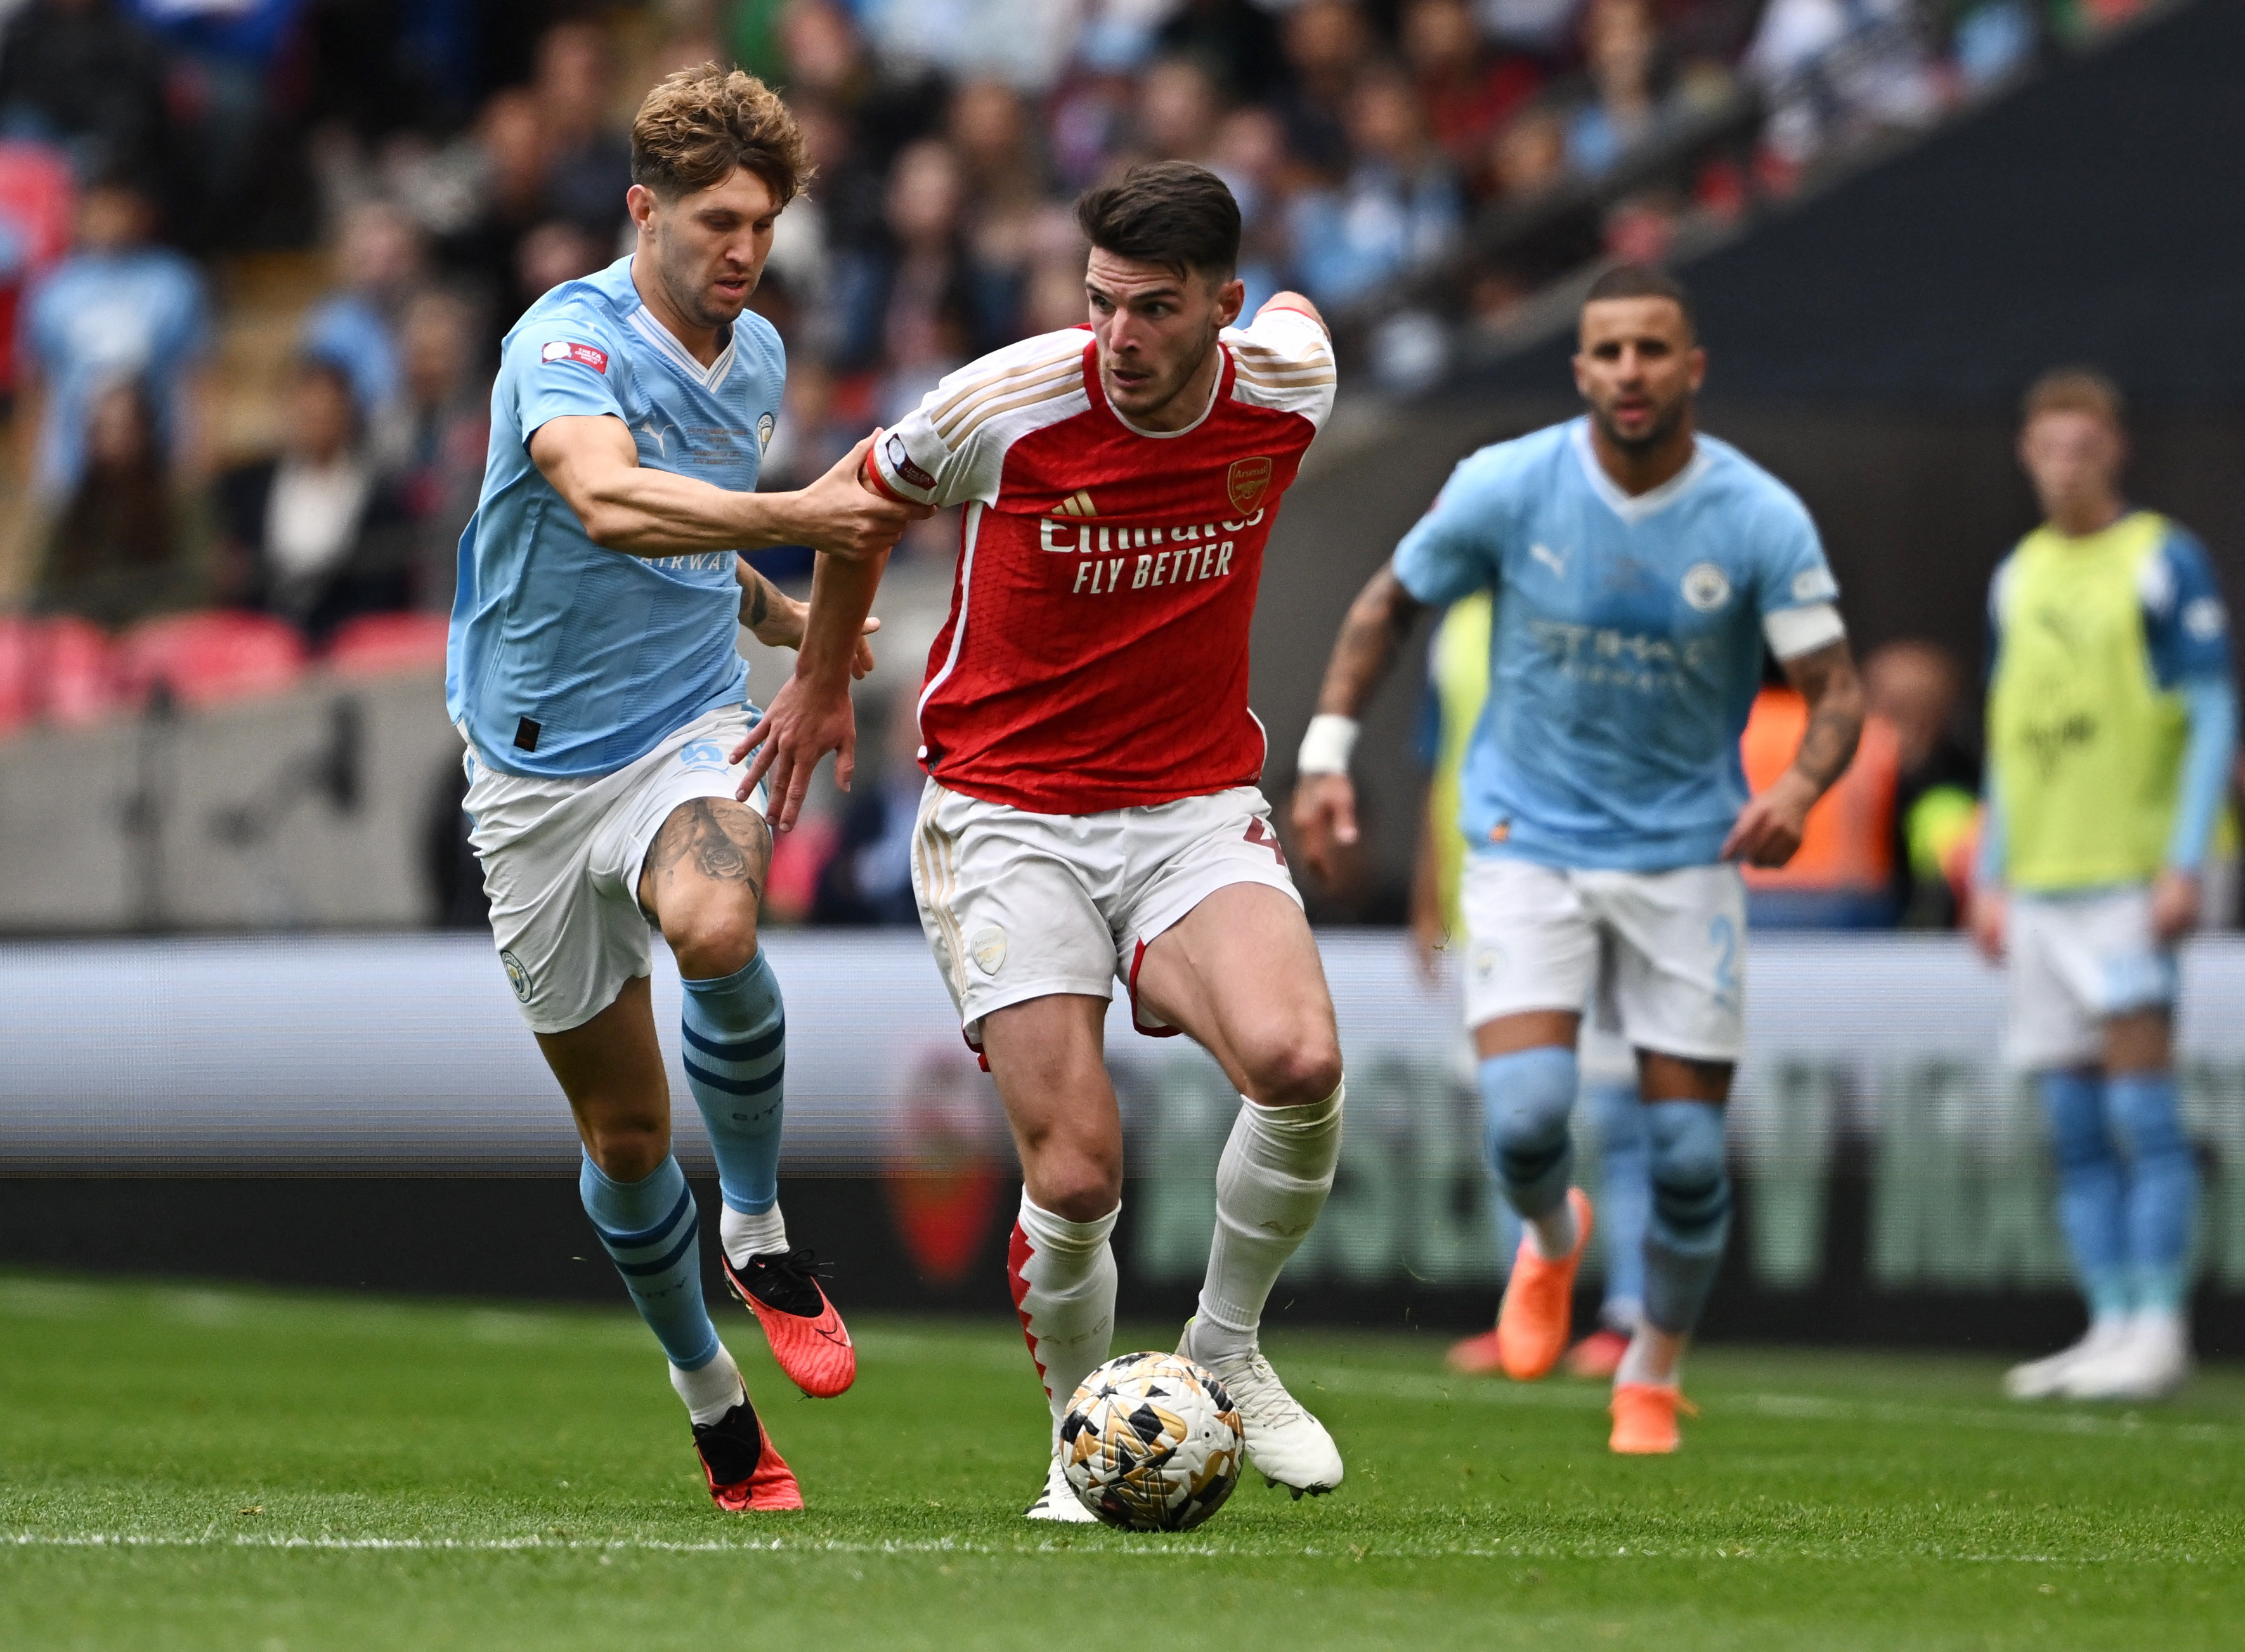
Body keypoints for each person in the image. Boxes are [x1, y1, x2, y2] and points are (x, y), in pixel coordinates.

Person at [739, 161, 1350, 1519]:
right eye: (1100, 302)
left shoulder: (1287, 387)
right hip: (1010, 812)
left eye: (1155, 308)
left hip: (1191, 806)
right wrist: (823, 676)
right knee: (1075, 1173)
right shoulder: (1006, 402)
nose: (1118, 337)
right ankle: (1084, 1445)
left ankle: (1226, 1350)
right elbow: (856, 500)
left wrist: (1287, 308)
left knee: (1301, 1063)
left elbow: (1308, 322)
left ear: (1223, 308)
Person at [445, 64, 923, 1512]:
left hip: (684, 730)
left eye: (764, 225)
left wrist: (771, 612)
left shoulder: (756, 355)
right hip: (531, 780)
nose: (745, 250)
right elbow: (603, 498)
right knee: (627, 1138)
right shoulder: (563, 342)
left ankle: (761, 1230)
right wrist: (797, 522)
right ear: (643, 210)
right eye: (719, 221)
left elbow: (691, 542)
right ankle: (711, 1398)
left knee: (716, 924)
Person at [1292, 264, 1864, 1455]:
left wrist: (1800, 790)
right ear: (1581, 368)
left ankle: (1652, 1369)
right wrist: (1329, 754)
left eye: (1652, 349)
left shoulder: (1757, 515)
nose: (1629, 371)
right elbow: (1386, 606)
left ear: (1691, 366)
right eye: (1608, 351)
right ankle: (1553, 1241)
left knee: (1692, 1156)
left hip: (1685, 856)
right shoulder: (1509, 485)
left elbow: (1836, 692)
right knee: (1525, 1120)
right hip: (1528, 842)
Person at [1974, 368, 2237, 1404]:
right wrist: (1990, 872)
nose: (2065, 467)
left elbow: (2212, 711)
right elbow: (2007, 734)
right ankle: (2110, 1322)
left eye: (2083, 448)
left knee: (2142, 1111)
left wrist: (2186, 858)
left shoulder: (2160, 557)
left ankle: (2161, 1327)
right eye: (2050, 448)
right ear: (2025, 454)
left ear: (2115, 451)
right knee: (2076, 1128)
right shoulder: (2017, 575)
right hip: (2041, 879)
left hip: (2131, 873)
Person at [1412, 592, 1651, 1382]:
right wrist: (1427, 900)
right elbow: (1441, 770)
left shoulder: (1609, 605)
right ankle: (1525, 1307)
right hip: (1488, 908)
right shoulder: (1459, 627)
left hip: (1599, 899)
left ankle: (1632, 1318)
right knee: (1511, 1117)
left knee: (1618, 1114)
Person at [216, 358, 413, 644]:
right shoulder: (251, 489)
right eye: (307, 413)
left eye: (326, 413)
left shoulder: (379, 495)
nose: (317, 422)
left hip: (348, 645)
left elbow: (383, 588)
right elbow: (240, 577)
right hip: (267, 644)